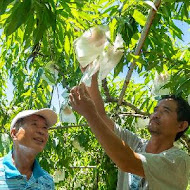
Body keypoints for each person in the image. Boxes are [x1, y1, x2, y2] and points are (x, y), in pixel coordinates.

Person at [69, 72, 190, 190]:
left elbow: (127, 162)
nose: (156, 115)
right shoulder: (137, 144)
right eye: (155, 110)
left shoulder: (179, 160)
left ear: (181, 125)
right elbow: (101, 116)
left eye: (166, 111)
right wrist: (91, 76)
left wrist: (89, 114)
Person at [0, 108, 57, 189]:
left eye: (44, 127)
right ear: (14, 133)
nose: (41, 131)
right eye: (34, 124)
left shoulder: (47, 181)